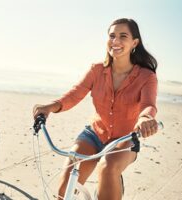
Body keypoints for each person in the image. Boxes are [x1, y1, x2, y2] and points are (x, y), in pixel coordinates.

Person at [33, 18, 158, 200]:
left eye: (123, 36)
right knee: (65, 186)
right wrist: (50, 107)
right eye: (112, 36)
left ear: (135, 43)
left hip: (125, 139)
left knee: (108, 168)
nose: (115, 41)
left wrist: (145, 119)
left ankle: (113, 180)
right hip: (94, 134)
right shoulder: (97, 70)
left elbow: (148, 105)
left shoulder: (147, 76)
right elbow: (75, 94)